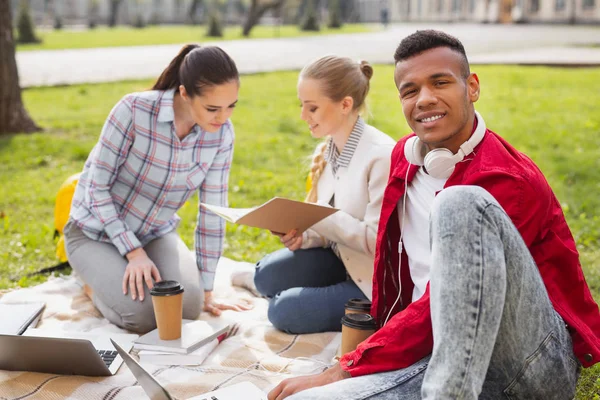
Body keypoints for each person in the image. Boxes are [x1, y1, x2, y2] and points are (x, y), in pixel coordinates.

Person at [268, 30, 600, 399]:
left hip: (527, 361)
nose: (425, 99)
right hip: (436, 350)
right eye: (410, 90)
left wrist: (350, 366)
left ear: (471, 87)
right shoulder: (402, 160)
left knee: (458, 203)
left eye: (440, 82)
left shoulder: (508, 180)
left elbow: (445, 301)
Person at [65, 44, 251, 333]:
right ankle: (90, 284)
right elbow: (96, 188)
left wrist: (206, 286)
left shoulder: (221, 135)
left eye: (231, 106)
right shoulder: (134, 110)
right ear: (185, 93)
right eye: (213, 108)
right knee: (141, 318)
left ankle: (124, 278)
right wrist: (133, 253)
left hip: (154, 232)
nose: (223, 117)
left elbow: (212, 212)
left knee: (188, 309)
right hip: (94, 233)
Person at [233, 55, 395, 334]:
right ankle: (272, 284)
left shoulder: (381, 156)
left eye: (312, 108)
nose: (302, 116)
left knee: (282, 311)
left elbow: (376, 242)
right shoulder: (329, 149)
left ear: (345, 104)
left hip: (370, 282)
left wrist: (320, 215)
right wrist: (304, 236)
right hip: (337, 258)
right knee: (265, 276)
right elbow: (329, 228)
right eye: (302, 106)